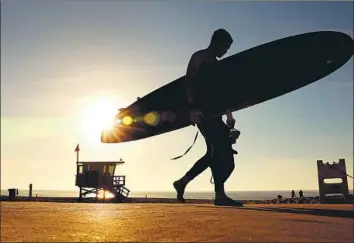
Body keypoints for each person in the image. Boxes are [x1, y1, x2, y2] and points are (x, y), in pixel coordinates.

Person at [173, 29, 243, 206]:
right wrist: (192, 108)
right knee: (219, 150)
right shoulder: (200, 57)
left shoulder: (216, 64)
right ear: (216, 42)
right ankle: (219, 195)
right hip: (202, 112)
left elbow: (220, 93)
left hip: (215, 113)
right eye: (225, 48)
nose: (225, 52)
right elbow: (189, 82)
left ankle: (183, 182)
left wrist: (229, 117)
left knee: (217, 154)